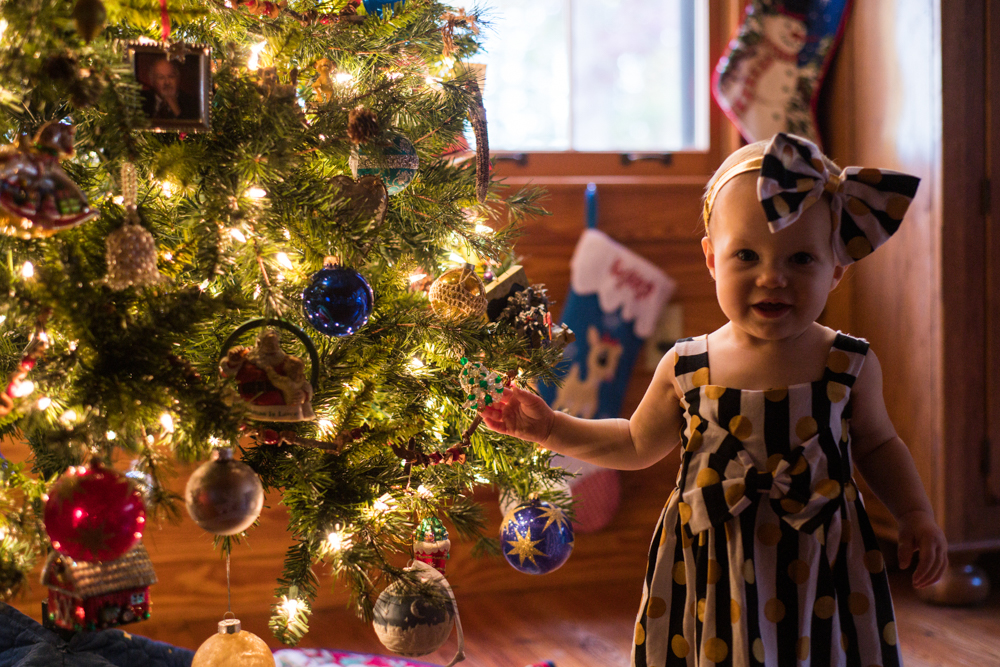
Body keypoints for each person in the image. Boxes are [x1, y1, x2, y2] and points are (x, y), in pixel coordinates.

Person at [481, 132, 948, 666]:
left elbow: (880, 444)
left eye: (801, 259)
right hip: (711, 566)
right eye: (746, 255)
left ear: (836, 269)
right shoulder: (687, 367)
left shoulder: (848, 364)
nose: (772, 278)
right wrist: (553, 430)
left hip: (823, 565)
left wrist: (915, 513)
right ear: (710, 258)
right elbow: (635, 442)